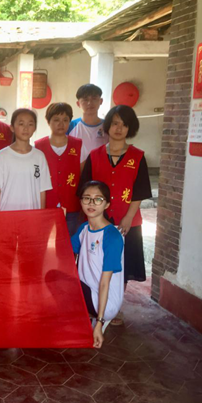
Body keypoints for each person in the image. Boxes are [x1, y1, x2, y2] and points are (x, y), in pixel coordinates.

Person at [79, 105, 152, 325]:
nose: (119, 128)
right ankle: (93, 304)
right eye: (115, 123)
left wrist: (129, 217)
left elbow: (139, 191)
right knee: (95, 262)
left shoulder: (138, 157)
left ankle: (114, 306)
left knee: (122, 265)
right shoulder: (95, 156)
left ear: (131, 128)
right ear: (108, 126)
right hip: (97, 222)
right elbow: (84, 189)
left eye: (124, 124)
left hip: (126, 221)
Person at [71, 180, 124, 349]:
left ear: (106, 204)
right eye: (87, 198)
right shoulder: (84, 228)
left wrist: (100, 323)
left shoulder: (112, 236)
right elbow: (64, 250)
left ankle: (94, 320)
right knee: (53, 276)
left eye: (98, 199)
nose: (91, 203)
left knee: (62, 285)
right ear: (81, 202)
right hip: (88, 290)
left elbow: (104, 283)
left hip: (105, 303)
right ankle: (84, 317)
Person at [35, 102, 88, 235]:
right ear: (48, 121)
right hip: (45, 206)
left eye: (65, 120)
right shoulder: (38, 147)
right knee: (44, 242)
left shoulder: (79, 145)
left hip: (72, 207)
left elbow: (83, 178)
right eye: (56, 120)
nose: (61, 124)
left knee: (70, 243)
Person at [0, 109, 52, 211]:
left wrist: (41, 216)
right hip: (7, 214)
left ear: (35, 128)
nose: (26, 128)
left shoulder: (39, 156)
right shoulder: (2, 156)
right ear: (12, 127)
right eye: (21, 124)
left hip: (32, 215)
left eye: (30, 124)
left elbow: (42, 190)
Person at [67, 84, 108, 157]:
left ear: (101, 101)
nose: (90, 103)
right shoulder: (70, 126)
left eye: (94, 98)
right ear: (78, 104)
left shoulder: (108, 125)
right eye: (85, 100)